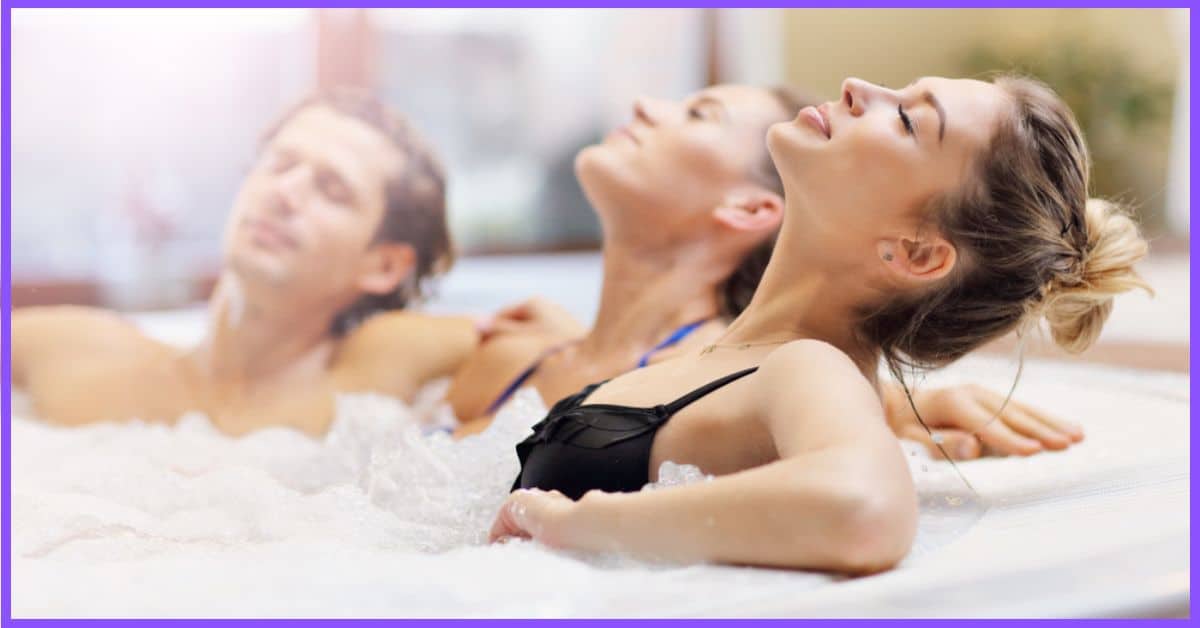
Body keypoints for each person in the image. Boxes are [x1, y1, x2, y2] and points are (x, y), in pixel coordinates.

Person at [489, 75, 1150, 573]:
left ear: (916, 251)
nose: (859, 88)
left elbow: (864, 510)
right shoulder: (736, 355)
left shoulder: (809, 366)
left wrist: (579, 523)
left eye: (910, 123)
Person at [450, 83, 1081, 460]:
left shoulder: (780, 371)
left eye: (701, 114)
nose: (645, 106)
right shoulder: (531, 343)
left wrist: (898, 409)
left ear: (753, 208)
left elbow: (845, 475)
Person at [13, 89, 476, 436]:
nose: (285, 192)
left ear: (384, 266)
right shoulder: (70, 353)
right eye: (279, 164)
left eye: (331, 188)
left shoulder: (379, 379)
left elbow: (540, 349)